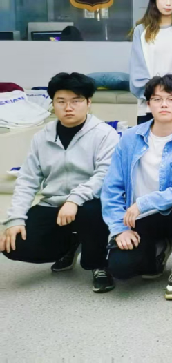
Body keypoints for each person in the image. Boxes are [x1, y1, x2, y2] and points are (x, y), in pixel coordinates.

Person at [1, 73, 119, 293]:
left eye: (76, 101)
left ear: (88, 102)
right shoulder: (41, 137)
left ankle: (99, 264)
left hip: (92, 203)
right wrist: (15, 219)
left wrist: (74, 200)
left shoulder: (105, 134)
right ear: (53, 104)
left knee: (91, 211)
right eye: (61, 101)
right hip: (54, 204)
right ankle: (69, 245)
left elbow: (105, 176)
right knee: (14, 245)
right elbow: (27, 180)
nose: (68, 108)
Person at [102, 74, 172, 300]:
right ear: (148, 104)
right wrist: (119, 229)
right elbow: (112, 188)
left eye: (171, 99)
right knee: (121, 268)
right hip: (139, 218)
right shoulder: (130, 138)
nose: (164, 105)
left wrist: (144, 203)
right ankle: (158, 249)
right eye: (157, 99)